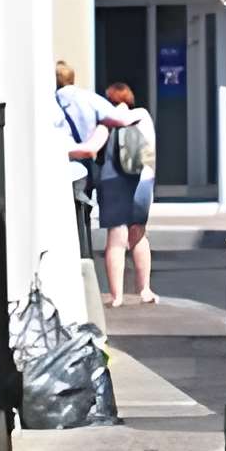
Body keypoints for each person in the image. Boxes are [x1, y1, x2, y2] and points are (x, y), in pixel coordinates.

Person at [92, 81, 158, 307]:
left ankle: (117, 296)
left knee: (116, 240)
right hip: (144, 180)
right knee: (138, 234)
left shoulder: (108, 122)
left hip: (115, 181)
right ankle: (145, 290)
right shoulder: (144, 117)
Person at [54, 61, 127, 259]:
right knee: (84, 209)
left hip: (65, 161)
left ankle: (75, 255)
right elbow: (118, 118)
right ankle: (86, 255)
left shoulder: (51, 100)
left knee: (66, 213)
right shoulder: (87, 97)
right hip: (88, 162)